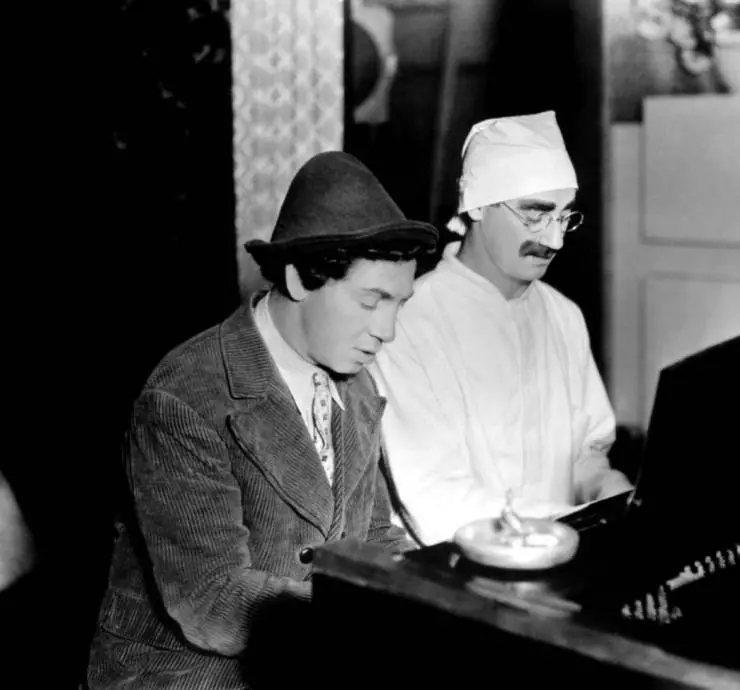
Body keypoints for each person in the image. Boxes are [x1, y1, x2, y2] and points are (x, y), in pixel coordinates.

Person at [86, 151, 438, 689]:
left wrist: (435, 590)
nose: (388, 330)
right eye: (371, 301)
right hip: (188, 675)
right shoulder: (184, 396)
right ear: (299, 279)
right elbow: (210, 598)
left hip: (312, 654)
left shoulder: (358, 384)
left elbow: (370, 536)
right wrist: (366, 615)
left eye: (400, 304)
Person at [371, 111, 632, 545]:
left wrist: (612, 493)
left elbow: (586, 455)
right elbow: (440, 506)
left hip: (560, 554)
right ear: (476, 205)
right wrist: (575, 526)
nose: (554, 241)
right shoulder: (410, 322)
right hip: (454, 570)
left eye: (565, 218)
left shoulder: (563, 315)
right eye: (535, 215)